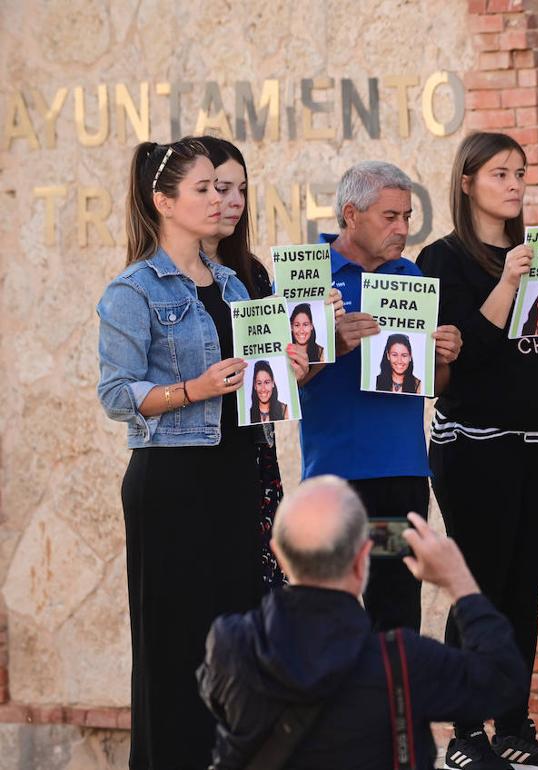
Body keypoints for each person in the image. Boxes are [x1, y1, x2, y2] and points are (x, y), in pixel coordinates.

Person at [96, 138, 309, 769]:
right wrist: (194, 388)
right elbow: (115, 393)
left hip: (239, 477)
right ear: (163, 201)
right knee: (175, 648)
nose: (222, 199)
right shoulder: (132, 289)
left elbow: (259, 382)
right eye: (206, 190)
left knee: (240, 645)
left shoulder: (235, 284)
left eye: (227, 189)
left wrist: (294, 362)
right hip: (172, 482)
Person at [418, 132, 538, 770]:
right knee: (478, 587)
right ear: (467, 182)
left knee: (524, 588)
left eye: (520, 173)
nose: (515, 185)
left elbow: (534, 356)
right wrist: (509, 283)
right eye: (500, 174)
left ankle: (515, 725)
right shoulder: (443, 260)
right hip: (474, 443)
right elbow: (467, 355)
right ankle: (464, 733)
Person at [198, 476, 529, 769]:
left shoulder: (230, 644)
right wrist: (458, 581)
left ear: (279, 554)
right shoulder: (403, 660)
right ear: (362, 559)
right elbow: (504, 680)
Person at [297, 161, 462, 632]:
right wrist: (331, 343)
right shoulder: (306, 275)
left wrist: (446, 357)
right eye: (390, 217)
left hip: (402, 477)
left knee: (396, 615)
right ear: (351, 214)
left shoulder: (410, 276)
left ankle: (398, 710)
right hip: (334, 480)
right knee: (330, 613)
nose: (403, 228)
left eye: (407, 217)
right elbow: (277, 382)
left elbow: (435, 385)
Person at [197, 134, 329, 591]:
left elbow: (285, 374)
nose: (232, 201)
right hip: (197, 459)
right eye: (219, 188)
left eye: (241, 190)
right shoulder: (163, 281)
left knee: (259, 595)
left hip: (255, 457)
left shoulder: (253, 273)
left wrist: (310, 345)